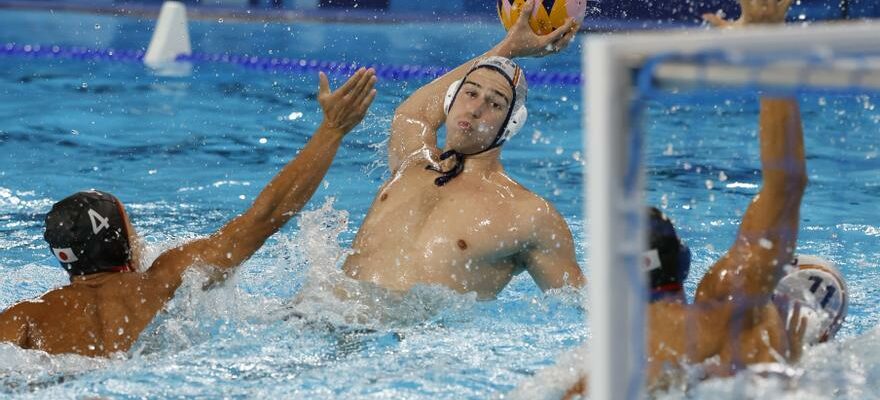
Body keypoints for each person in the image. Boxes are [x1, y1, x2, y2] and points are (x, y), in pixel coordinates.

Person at [554, 0, 851, 396]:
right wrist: (769, 45)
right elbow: (787, 184)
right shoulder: (729, 309)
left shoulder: (606, 367)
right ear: (681, 260)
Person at [0, 68, 378, 357]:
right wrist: (332, 130)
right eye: (130, 227)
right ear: (118, 239)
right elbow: (266, 216)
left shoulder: (22, 318)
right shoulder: (164, 281)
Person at [340, 0, 585, 300]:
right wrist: (508, 47)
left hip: (408, 341)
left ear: (511, 125)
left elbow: (584, 308)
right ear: (450, 100)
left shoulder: (529, 216)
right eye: (470, 93)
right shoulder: (412, 162)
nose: (476, 108)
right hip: (325, 312)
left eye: (495, 103)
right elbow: (412, 114)